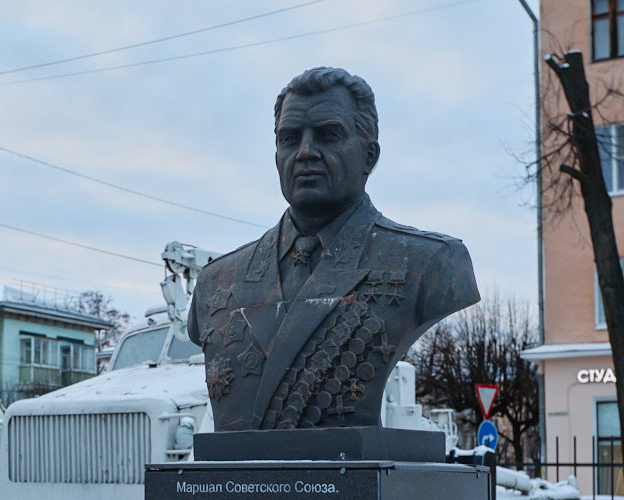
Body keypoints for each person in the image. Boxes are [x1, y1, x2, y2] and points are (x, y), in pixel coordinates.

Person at [188, 66, 479, 431]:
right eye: (290, 138)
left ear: (369, 156)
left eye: (328, 135)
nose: (306, 152)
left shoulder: (432, 264)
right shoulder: (215, 282)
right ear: (276, 157)